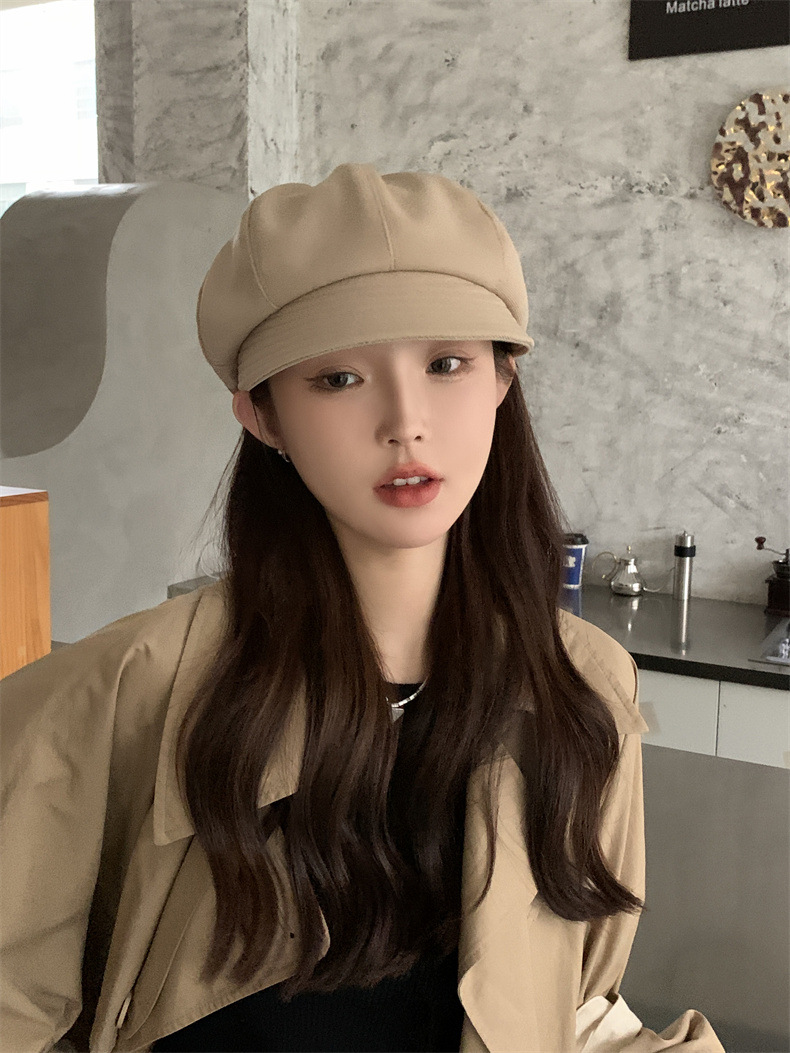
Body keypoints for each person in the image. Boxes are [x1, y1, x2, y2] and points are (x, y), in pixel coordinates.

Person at [0, 163, 725, 1053]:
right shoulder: (130, 688)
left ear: (504, 377)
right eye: (338, 378)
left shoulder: (580, 685)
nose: (405, 421)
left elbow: (575, 1007)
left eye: (446, 363)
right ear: (263, 417)